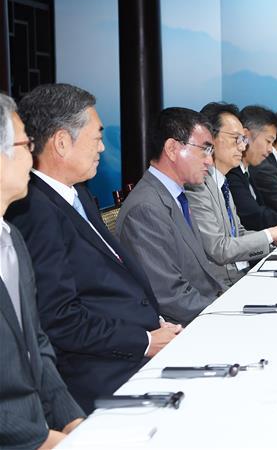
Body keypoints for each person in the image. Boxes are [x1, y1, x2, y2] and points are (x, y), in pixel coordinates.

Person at [6, 84, 179, 412]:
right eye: (96, 137)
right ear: (61, 141)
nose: (102, 147)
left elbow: (107, 282)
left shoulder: (77, 193)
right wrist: (143, 341)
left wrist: (154, 325)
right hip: (102, 372)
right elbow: (59, 319)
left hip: (136, 345)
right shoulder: (34, 211)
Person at [0, 93, 84, 449]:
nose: (31, 158)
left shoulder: (13, 238)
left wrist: (71, 417)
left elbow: (36, 341)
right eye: (24, 144)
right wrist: (38, 439)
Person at [117, 108, 228, 324]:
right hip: (181, 329)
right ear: (172, 148)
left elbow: (199, 276)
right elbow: (171, 297)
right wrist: (227, 312)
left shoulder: (176, 196)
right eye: (204, 150)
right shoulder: (145, 208)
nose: (210, 161)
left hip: (201, 313)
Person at [185, 103, 277, 286]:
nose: (243, 147)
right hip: (219, 287)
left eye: (243, 139)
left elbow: (238, 232)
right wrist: (270, 234)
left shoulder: (222, 182)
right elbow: (219, 249)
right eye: (237, 139)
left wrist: (275, 241)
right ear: (210, 138)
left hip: (240, 276)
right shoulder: (196, 186)